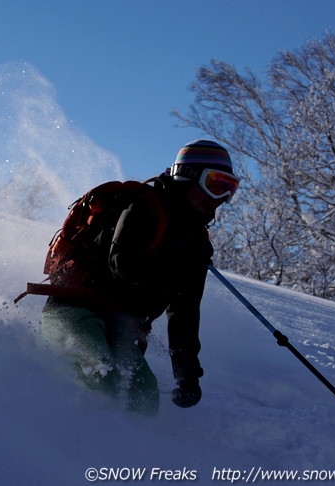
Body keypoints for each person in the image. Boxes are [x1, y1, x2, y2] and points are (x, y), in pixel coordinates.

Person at [40, 140, 240, 415]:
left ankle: (131, 450)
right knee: (100, 373)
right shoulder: (145, 204)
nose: (221, 197)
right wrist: (177, 265)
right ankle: (67, 442)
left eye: (229, 189)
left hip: (118, 326)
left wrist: (187, 376)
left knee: (144, 395)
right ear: (187, 175)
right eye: (216, 183)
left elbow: (184, 311)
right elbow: (121, 262)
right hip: (74, 306)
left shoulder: (197, 243)